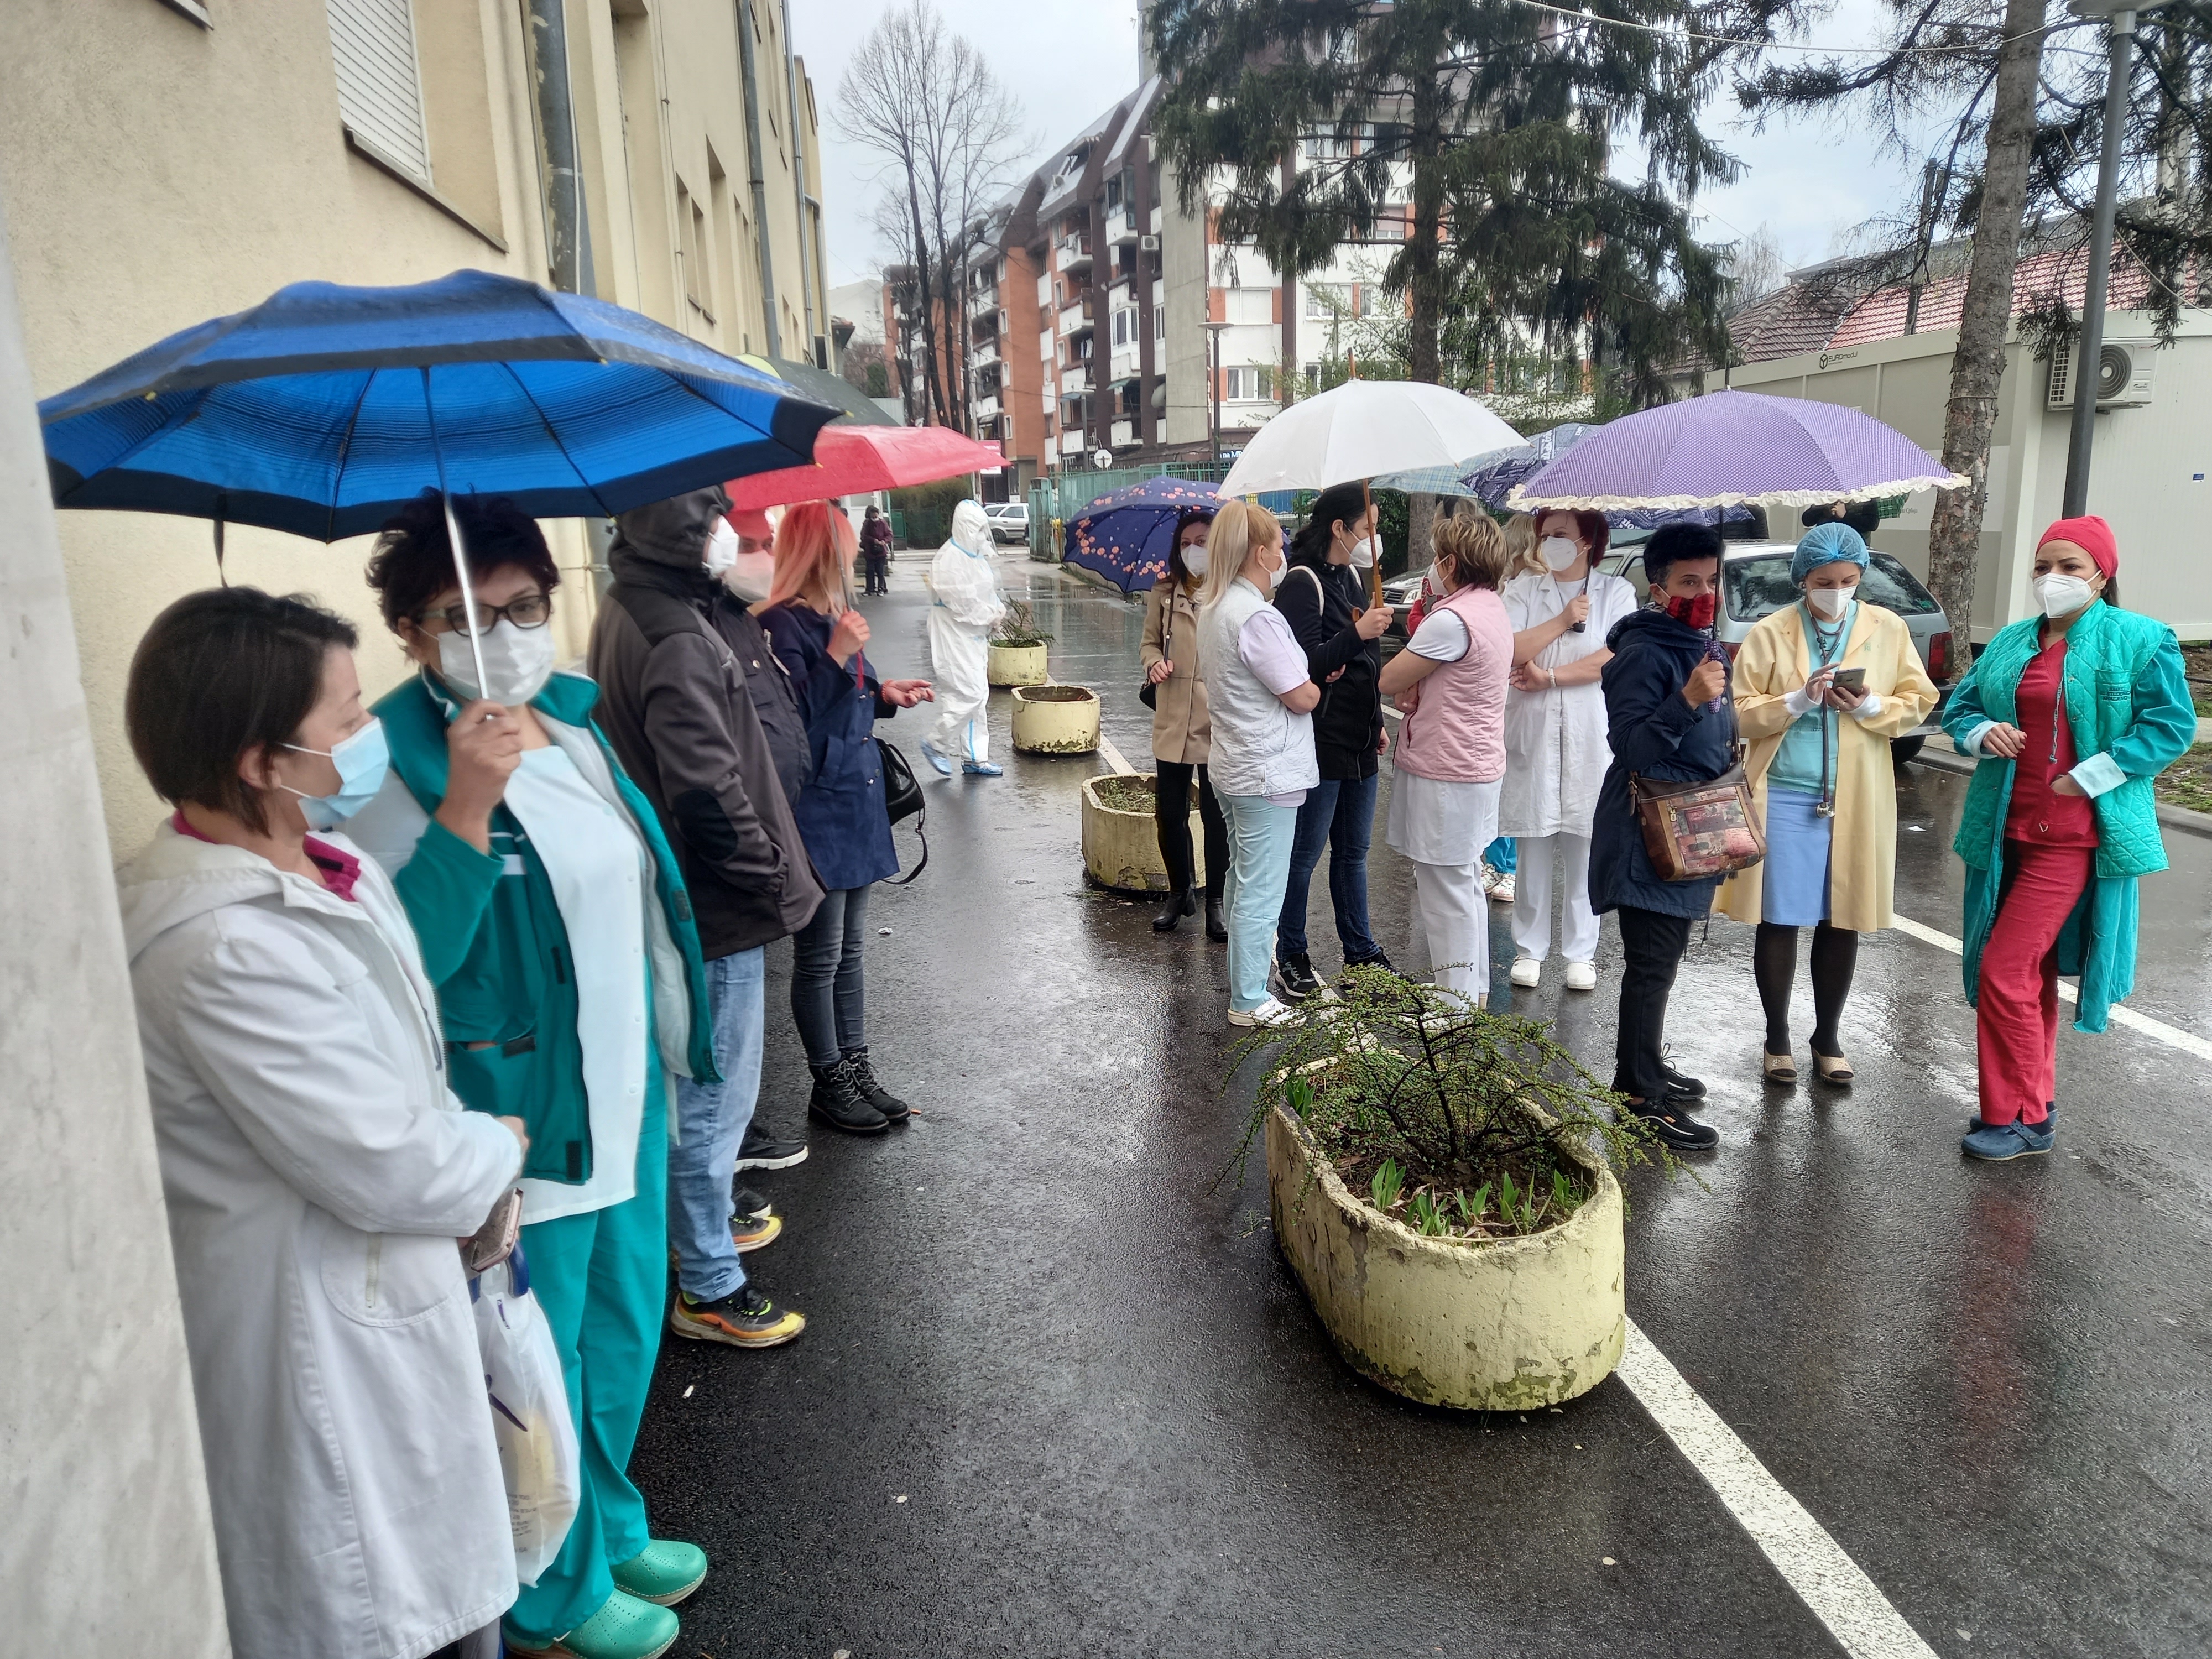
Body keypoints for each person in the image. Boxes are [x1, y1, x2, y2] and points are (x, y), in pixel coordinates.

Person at [341, 494, 724, 1659]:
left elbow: (633, 891)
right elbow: (394, 959)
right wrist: (465, 804)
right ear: (411, 631)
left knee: (619, 1327)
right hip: (520, 1113)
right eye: (464, 614)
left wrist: (676, 1043)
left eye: (521, 607)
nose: (500, 633)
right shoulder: (384, 763)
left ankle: (607, 1528)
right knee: (531, 1360)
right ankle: (552, 1596)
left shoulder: (573, 719)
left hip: (624, 1087)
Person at [116, 587, 526, 1659]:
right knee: (381, 1611)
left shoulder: (323, 869)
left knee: (448, 1598)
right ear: (261, 761)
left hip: (399, 1306)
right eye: (345, 722)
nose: (369, 737)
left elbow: (404, 1084)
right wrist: (499, 1153)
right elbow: (390, 1161)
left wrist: (464, 1164)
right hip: (321, 1348)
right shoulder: (212, 949)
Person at [590, 486, 825, 1347]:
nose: (737, 534)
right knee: (714, 1093)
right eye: (720, 518)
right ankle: (709, 1284)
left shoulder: (641, 605)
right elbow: (708, 796)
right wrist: (769, 882)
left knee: (706, 1087)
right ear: (685, 530)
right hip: (713, 909)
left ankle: (709, 1224)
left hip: (695, 898)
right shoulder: (676, 635)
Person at [1943, 516, 2194, 1161]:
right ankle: (2028, 1102)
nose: (2050, 579)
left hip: (2075, 838)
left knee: (2003, 969)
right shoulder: (2009, 641)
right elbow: (1960, 707)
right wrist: (1979, 734)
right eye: (2042, 566)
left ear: (2101, 576)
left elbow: (2170, 726)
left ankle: (2022, 1116)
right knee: (2031, 971)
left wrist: (2096, 773)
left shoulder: (2139, 639)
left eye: (2068, 567)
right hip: (2004, 831)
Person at [1715, 521, 1938, 1085]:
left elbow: (1918, 701)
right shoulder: (1771, 632)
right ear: (1802, 581)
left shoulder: (1887, 628)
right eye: (1823, 581)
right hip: (1786, 792)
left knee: (1842, 917)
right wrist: (1795, 700)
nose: (1836, 591)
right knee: (1782, 916)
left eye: (1847, 580)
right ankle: (1777, 1038)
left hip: (1856, 793)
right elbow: (1737, 713)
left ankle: (1827, 1036)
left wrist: (1867, 708)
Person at [757, 501, 936, 1135]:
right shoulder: (778, 625)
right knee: (820, 955)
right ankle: (827, 1077)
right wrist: (835, 655)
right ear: (818, 552)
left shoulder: (834, 616)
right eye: (843, 544)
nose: (857, 553)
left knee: (852, 951)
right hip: (818, 808)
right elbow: (787, 718)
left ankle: (856, 1064)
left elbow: (849, 697)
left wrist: (885, 694)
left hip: (856, 799)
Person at [1588, 521, 1735, 1151]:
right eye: (1688, 582)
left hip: (1692, 822)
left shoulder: (1701, 644)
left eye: (1711, 579)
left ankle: (1646, 1066)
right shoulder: (1645, 653)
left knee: (1663, 962)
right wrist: (1686, 699)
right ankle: (1638, 1095)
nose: (1704, 591)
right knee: (1650, 967)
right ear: (1658, 588)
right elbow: (1632, 747)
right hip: (1651, 830)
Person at [1499, 507, 1640, 994]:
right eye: (1545, 535)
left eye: (1561, 535)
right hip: (1533, 729)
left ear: (1589, 542)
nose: (1549, 542)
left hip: (1589, 729)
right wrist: (1562, 620)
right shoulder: (1522, 590)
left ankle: (1581, 952)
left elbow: (1615, 655)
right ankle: (1529, 949)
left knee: (1586, 842)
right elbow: (1512, 648)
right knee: (1533, 841)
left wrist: (1552, 677)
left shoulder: (1615, 593)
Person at [1378, 513, 1515, 1006]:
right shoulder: (1491, 608)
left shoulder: (1450, 620)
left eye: (1437, 557)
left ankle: (1453, 1003)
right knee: (1464, 882)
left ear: (1451, 563)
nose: (1432, 567)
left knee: (1444, 889)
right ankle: (1471, 991)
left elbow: (1390, 678)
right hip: (1475, 765)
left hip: (1447, 767)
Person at [1197, 499, 1322, 1027]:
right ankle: (1249, 998)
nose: (1283, 552)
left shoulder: (1215, 606)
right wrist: (1315, 685)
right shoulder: (1257, 617)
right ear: (1258, 553)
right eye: (1277, 544)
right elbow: (1302, 695)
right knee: (1261, 887)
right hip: (1266, 770)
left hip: (1234, 764)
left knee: (1242, 880)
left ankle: (1246, 985)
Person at [1270, 482, 1396, 999]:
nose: (1375, 538)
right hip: (1320, 742)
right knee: (1305, 853)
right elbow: (1299, 666)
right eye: (1367, 528)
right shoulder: (1302, 582)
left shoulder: (1349, 576)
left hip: (1361, 740)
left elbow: (1363, 663)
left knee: (1353, 854)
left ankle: (1361, 953)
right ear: (1340, 528)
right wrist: (1358, 634)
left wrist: (1378, 722)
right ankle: (1292, 952)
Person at [1142, 506, 1230, 938]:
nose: (1192, 550)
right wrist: (1154, 663)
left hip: (1217, 722)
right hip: (1173, 716)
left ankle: (1216, 900)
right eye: (1185, 543)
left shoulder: (1230, 594)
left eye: (1201, 542)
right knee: (1170, 814)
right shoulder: (1164, 592)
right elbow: (1147, 645)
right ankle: (1179, 892)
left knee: (1216, 818)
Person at [922, 499, 1008, 776]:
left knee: (979, 695)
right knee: (968, 693)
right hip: (954, 636)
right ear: (965, 528)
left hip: (973, 636)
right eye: (979, 529)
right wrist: (990, 616)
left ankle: (975, 757)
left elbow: (985, 591)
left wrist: (996, 610)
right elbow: (964, 605)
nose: (984, 536)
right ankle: (936, 743)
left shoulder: (974, 557)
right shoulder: (949, 561)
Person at [1483, 513, 1542, 906]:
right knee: (1503, 783)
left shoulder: (1535, 588)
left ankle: (1509, 867)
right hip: (1509, 696)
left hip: (1527, 692)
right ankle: (1495, 859)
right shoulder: (1509, 588)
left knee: (1518, 784)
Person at [861, 504, 893, 596]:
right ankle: (870, 589)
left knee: (880, 571)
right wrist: (873, 540)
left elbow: (889, 535)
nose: (874, 518)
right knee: (870, 571)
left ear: (878, 514)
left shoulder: (883, 523)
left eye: (876, 516)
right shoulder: (867, 523)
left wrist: (884, 541)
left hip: (880, 551)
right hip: (870, 551)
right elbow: (864, 535)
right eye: (873, 517)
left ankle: (881, 589)